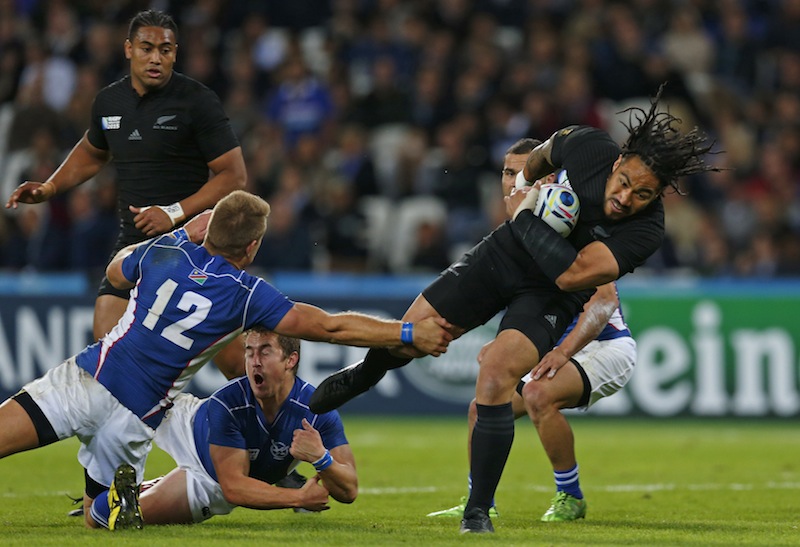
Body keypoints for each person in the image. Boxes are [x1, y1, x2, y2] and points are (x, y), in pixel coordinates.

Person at [309, 85, 720, 533]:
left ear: (657, 196)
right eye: (625, 183)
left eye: (642, 194)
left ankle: (478, 511)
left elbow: (573, 275)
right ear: (618, 162)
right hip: (502, 255)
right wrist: (526, 183)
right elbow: (541, 154)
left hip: (551, 293)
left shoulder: (647, 231)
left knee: (498, 373)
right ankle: (366, 374)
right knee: (411, 335)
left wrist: (524, 214)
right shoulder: (587, 145)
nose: (626, 198)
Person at [0, 190, 452, 531]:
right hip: (135, 419)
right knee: (98, 525)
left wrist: (180, 231)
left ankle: (126, 496)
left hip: (86, 381)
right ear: (252, 247)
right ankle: (121, 496)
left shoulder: (167, 250)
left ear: (207, 229)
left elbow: (116, 271)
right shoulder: (247, 294)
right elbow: (330, 326)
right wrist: (407, 331)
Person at [4, 9, 248, 378]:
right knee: (108, 357)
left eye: (165, 50)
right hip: (135, 244)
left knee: (236, 368)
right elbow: (92, 151)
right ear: (128, 49)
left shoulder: (197, 101)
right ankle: (133, 431)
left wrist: (174, 212)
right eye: (147, 48)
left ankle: (272, 428)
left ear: (175, 54)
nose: (156, 57)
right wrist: (51, 186)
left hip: (195, 246)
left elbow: (234, 175)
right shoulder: (109, 103)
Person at [427, 138, 636, 523]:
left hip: (604, 346)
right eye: (507, 173)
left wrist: (562, 351)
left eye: (521, 172)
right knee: (481, 409)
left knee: (538, 395)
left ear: (549, 179)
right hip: (559, 350)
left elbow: (604, 302)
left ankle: (570, 496)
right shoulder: (520, 230)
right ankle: (479, 500)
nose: (513, 181)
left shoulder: (576, 227)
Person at [137, 327, 357, 524]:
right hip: (187, 422)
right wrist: (299, 497)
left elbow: (349, 490)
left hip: (208, 484)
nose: (255, 361)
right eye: (249, 352)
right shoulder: (228, 403)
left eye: (265, 351)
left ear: (290, 360)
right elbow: (236, 485)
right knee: (121, 396)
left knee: (117, 516)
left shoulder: (316, 411)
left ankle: (140, 491)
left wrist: (321, 458)